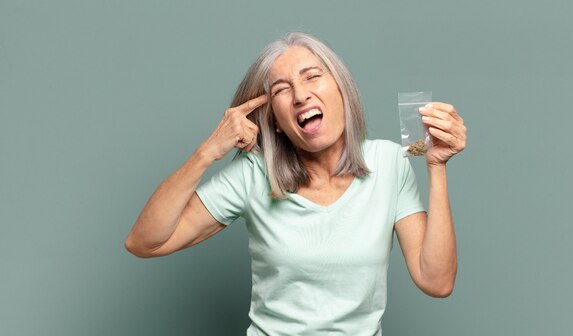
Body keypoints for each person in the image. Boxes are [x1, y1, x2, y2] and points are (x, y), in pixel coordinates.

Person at [125, 32, 467, 335]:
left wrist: (436, 166)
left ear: (341, 90)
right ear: (274, 121)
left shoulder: (389, 163)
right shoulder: (253, 175)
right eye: (282, 89)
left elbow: (436, 282)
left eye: (312, 77)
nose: (300, 95)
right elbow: (145, 242)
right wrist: (207, 152)